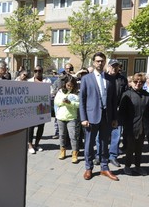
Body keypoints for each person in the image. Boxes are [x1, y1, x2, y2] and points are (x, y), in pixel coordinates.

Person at [79, 52, 119, 181]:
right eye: (97, 61)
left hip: (106, 117)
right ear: (93, 62)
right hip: (91, 117)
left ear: (105, 62)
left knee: (103, 143)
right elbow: (82, 100)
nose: (100, 63)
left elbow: (113, 100)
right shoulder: (86, 79)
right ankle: (88, 168)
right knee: (89, 144)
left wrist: (114, 119)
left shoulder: (110, 79)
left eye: (102, 61)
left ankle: (104, 168)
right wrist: (83, 118)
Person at [95, 59, 128, 167]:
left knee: (116, 135)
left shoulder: (122, 79)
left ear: (119, 67)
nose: (114, 68)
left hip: (117, 112)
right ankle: (99, 155)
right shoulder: (102, 77)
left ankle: (113, 156)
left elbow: (125, 95)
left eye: (116, 66)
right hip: (103, 111)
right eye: (112, 66)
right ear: (108, 66)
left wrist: (120, 107)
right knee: (100, 135)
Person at [119, 73, 149, 176]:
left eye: (141, 82)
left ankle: (138, 166)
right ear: (132, 82)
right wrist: (124, 124)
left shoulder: (146, 95)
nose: (138, 83)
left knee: (139, 148)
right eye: (136, 81)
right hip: (130, 125)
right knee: (130, 147)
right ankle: (127, 166)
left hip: (142, 125)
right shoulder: (127, 94)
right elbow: (122, 111)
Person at [54, 76, 80, 163]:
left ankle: (75, 153)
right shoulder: (60, 92)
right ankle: (62, 151)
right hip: (61, 117)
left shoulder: (77, 93)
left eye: (72, 85)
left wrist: (70, 103)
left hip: (72, 117)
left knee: (73, 136)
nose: (70, 87)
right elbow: (56, 102)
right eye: (68, 85)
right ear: (65, 84)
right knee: (62, 135)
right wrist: (62, 101)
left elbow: (78, 105)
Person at [27, 65, 52, 154]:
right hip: (32, 107)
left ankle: (37, 144)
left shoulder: (47, 80)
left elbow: (50, 92)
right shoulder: (29, 81)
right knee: (31, 126)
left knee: (41, 126)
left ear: (42, 71)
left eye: (39, 71)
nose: (37, 72)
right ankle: (30, 144)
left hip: (43, 106)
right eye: (35, 71)